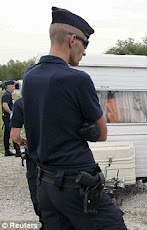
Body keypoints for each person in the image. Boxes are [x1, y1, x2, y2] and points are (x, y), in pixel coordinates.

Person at [22, 7, 127, 229]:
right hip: (75, 184)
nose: (85, 51)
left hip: (45, 184)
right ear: (72, 40)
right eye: (85, 44)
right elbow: (102, 134)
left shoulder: (30, 76)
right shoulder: (77, 79)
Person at [10, 64, 40, 218]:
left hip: (34, 154)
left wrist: (22, 140)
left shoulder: (21, 103)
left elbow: (14, 136)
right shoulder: (57, 99)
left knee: (38, 196)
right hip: (58, 154)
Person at [2, 80, 21, 157]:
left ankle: (7, 150)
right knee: (12, 132)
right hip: (8, 116)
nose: (13, 88)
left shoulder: (7, 94)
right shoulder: (7, 95)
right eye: (12, 86)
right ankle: (17, 150)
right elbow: (5, 105)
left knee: (7, 133)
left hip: (6, 116)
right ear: (8, 86)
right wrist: (11, 113)